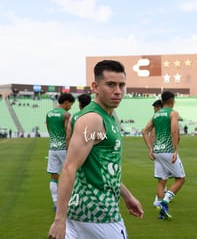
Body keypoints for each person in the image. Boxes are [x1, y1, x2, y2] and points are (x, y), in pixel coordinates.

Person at [48, 60, 143, 239]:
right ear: (95, 87)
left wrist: (127, 196)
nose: (117, 91)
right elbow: (69, 167)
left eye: (122, 85)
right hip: (100, 214)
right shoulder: (93, 119)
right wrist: (59, 219)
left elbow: (103, 169)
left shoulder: (106, 118)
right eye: (110, 84)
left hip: (83, 212)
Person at [141, 91, 186, 220]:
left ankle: (161, 212)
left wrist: (150, 149)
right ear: (172, 101)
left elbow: (144, 131)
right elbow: (173, 130)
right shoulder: (173, 113)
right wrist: (175, 150)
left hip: (157, 151)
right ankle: (165, 203)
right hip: (168, 150)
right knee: (181, 178)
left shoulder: (156, 115)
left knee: (161, 181)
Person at [46, 93, 75, 212]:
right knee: (70, 175)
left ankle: (56, 203)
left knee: (54, 176)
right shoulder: (66, 115)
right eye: (71, 104)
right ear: (66, 102)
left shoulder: (49, 114)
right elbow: (68, 133)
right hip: (64, 148)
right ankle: (70, 203)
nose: (71, 107)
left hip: (53, 148)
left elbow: (48, 128)